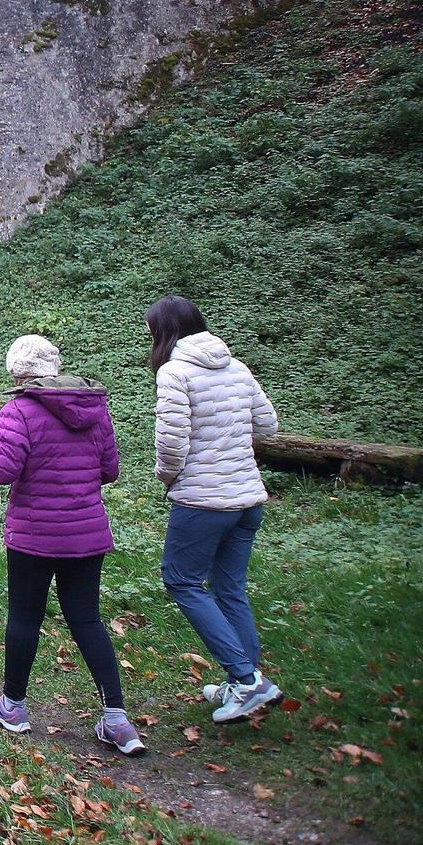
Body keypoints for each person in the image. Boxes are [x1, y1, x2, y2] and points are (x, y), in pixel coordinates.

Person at [0, 334, 146, 757]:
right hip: (86, 533)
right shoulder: (94, 407)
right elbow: (109, 470)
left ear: (16, 371)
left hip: (34, 535)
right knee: (86, 620)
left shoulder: (19, 410)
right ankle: (117, 721)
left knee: (25, 616)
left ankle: (12, 707)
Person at [147, 295, 284, 724]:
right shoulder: (237, 367)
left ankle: (245, 680)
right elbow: (269, 426)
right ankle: (246, 681)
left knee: (182, 580)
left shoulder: (175, 372)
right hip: (247, 499)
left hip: (203, 500)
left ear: (164, 332)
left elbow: (171, 444)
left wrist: (168, 479)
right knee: (229, 589)